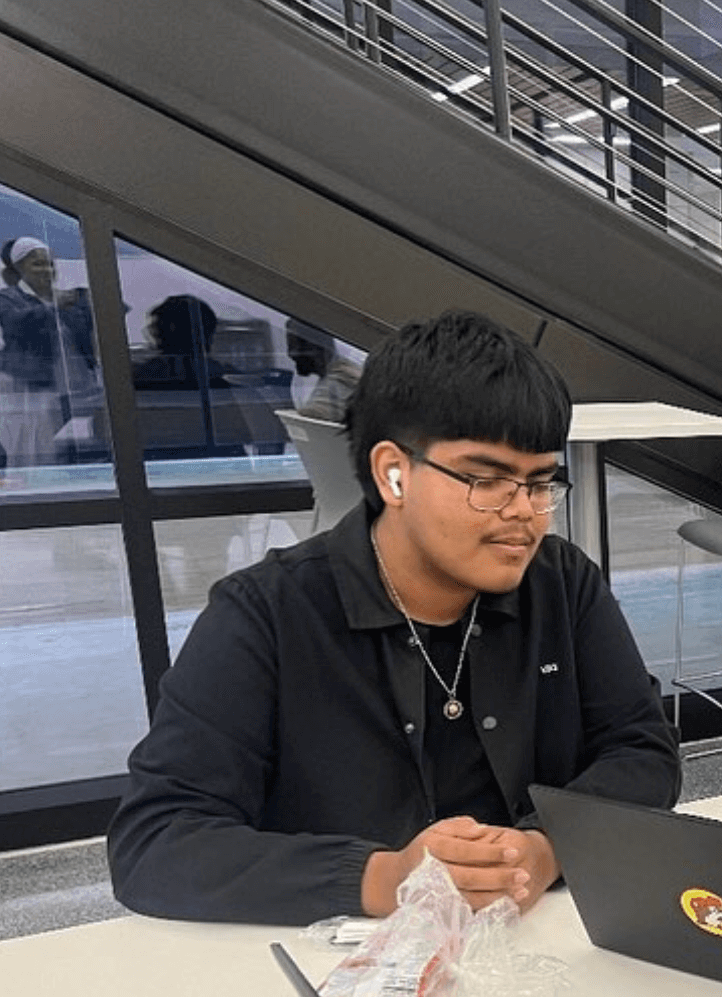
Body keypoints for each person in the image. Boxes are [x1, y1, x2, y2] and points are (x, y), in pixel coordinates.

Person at [107, 309, 681, 925]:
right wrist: (386, 877)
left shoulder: (561, 584)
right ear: (393, 472)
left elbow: (644, 752)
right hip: (333, 971)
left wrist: (545, 847)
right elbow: (155, 841)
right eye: (488, 480)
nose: (527, 514)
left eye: (541, 483)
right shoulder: (267, 614)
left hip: (537, 948)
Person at [0, 236, 100, 467]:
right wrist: (53, 307)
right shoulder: (8, 299)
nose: (47, 270)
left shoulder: (70, 298)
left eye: (50, 264)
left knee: (80, 445)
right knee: (38, 444)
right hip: (37, 388)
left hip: (78, 389)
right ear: (18, 268)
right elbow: (16, 324)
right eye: (37, 264)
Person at [285, 316, 362, 423]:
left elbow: (313, 418)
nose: (290, 353)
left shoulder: (344, 378)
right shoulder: (303, 383)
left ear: (316, 347)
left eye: (296, 346)